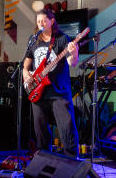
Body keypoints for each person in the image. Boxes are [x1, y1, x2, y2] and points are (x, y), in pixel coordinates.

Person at [23, 8, 79, 156]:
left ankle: (72, 161)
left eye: (44, 21)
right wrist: (25, 74)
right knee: (40, 131)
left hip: (59, 92)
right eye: (38, 21)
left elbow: (72, 63)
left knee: (66, 129)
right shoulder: (34, 40)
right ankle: (44, 160)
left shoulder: (62, 38)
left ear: (52, 21)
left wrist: (74, 52)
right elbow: (25, 64)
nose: (40, 24)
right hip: (38, 92)